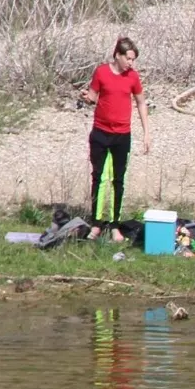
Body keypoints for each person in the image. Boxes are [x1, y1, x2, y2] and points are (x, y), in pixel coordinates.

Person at [80, 37, 152, 241]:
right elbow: (93, 98)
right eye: (128, 58)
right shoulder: (101, 72)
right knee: (99, 177)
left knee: (118, 180)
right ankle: (96, 223)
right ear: (118, 56)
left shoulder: (133, 77)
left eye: (133, 59)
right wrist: (85, 97)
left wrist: (147, 132)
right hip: (100, 133)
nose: (131, 63)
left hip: (122, 135)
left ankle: (114, 225)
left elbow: (140, 102)